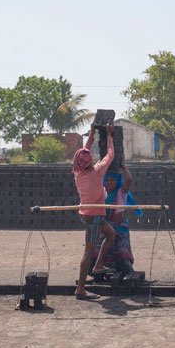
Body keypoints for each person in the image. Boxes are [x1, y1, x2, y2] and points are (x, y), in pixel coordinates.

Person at [72, 126, 118, 299]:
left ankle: (98, 266)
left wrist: (91, 135)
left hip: (85, 213)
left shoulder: (77, 172)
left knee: (111, 234)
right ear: (90, 161)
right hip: (94, 216)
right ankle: (81, 289)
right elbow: (110, 155)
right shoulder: (97, 172)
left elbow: (85, 151)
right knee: (88, 251)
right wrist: (108, 135)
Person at [100, 166, 140, 276]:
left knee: (122, 252)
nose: (109, 182)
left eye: (112, 180)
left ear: (117, 180)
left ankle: (128, 272)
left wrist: (123, 167)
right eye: (107, 180)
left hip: (120, 228)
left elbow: (129, 180)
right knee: (99, 251)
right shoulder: (102, 192)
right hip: (105, 228)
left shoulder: (121, 191)